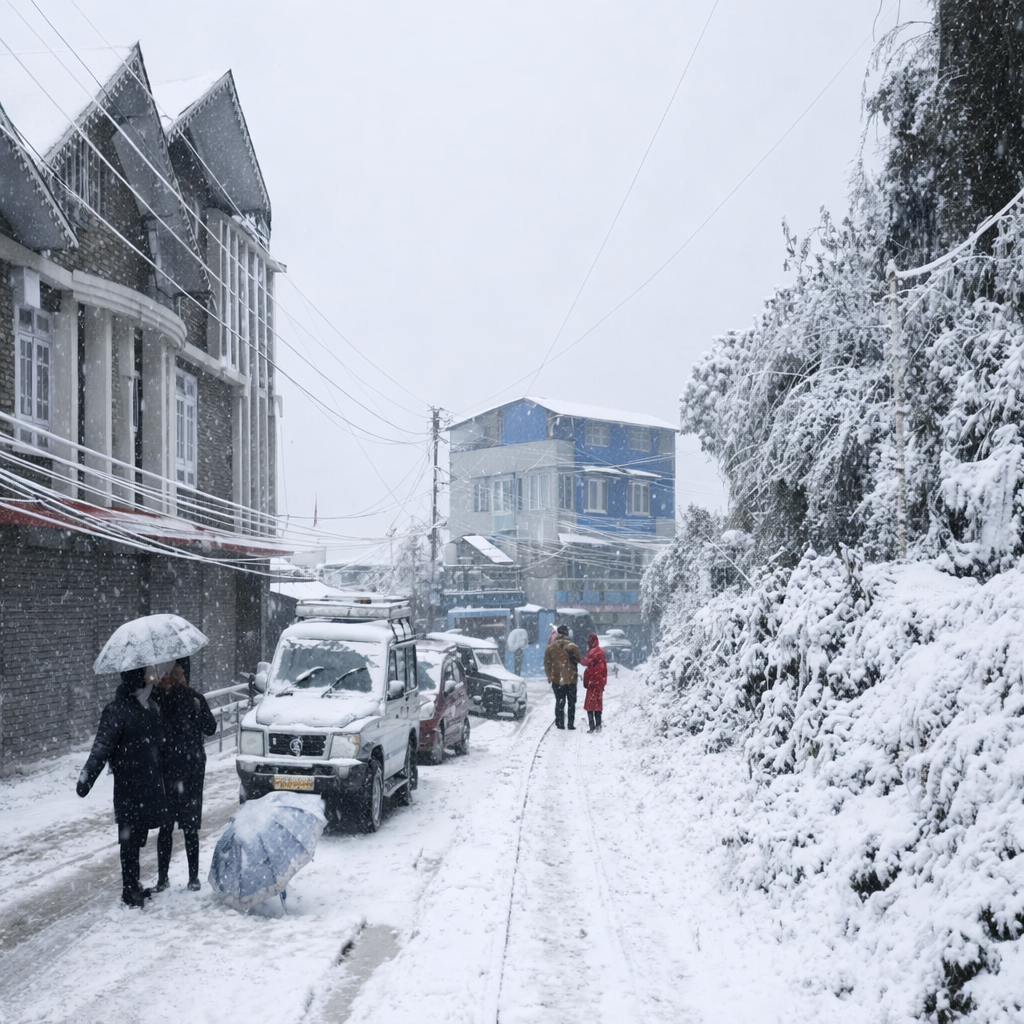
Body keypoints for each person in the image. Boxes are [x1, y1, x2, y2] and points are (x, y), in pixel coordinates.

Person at [76, 666, 170, 907]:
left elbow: (160, 741)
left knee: (136, 838)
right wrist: (87, 778)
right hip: (129, 787)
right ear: (137, 679)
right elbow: (101, 747)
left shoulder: (148, 706)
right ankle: (129, 889)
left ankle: (134, 884)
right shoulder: (117, 711)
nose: (150, 678)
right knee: (129, 840)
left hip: (146, 785)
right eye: (145, 674)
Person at [154, 657, 217, 892]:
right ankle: (162, 878)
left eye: (174, 672)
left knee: (190, 827)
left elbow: (210, 728)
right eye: (166, 672)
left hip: (191, 771)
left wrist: (198, 710)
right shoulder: (158, 700)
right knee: (166, 826)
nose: (168, 677)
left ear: (183, 674)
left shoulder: (195, 699)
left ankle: (193, 877)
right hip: (167, 771)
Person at [543, 624, 580, 730]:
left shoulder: (550, 648)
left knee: (560, 701)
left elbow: (546, 664)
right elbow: (578, 659)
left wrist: (549, 676)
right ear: (567, 633)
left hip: (557, 678)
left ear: (557, 633)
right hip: (571, 678)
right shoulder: (573, 646)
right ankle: (570, 724)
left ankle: (560, 723)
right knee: (571, 702)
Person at [580, 633, 607, 732]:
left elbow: (586, 663)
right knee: (598, 705)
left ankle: (592, 726)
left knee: (590, 705)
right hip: (598, 682)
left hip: (592, 683)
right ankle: (598, 725)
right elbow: (603, 669)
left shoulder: (591, 654)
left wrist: (587, 678)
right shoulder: (600, 653)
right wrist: (603, 681)